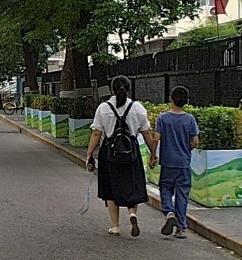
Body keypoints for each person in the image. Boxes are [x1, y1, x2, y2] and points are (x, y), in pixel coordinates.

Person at [85, 75, 157, 237]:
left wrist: (89, 153)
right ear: (129, 89)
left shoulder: (103, 108)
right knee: (131, 185)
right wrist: (153, 153)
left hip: (109, 153)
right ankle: (132, 214)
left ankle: (115, 226)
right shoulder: (137, 107)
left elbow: (97, 133)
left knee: (110, 188)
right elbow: (146, 133)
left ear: (112, 90)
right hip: (131, 152)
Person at [153, 85, 200, 239]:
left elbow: (156, 138)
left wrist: (153, 155)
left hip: (167, 162)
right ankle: (181, 228)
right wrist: (187, 149)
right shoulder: (190, 119)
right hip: (183, 162)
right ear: (187, 101)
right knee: (182, 194)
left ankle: (169, 212)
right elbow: (195, 141)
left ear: (170, 99)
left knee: (165, 189)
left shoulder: (163, 118)